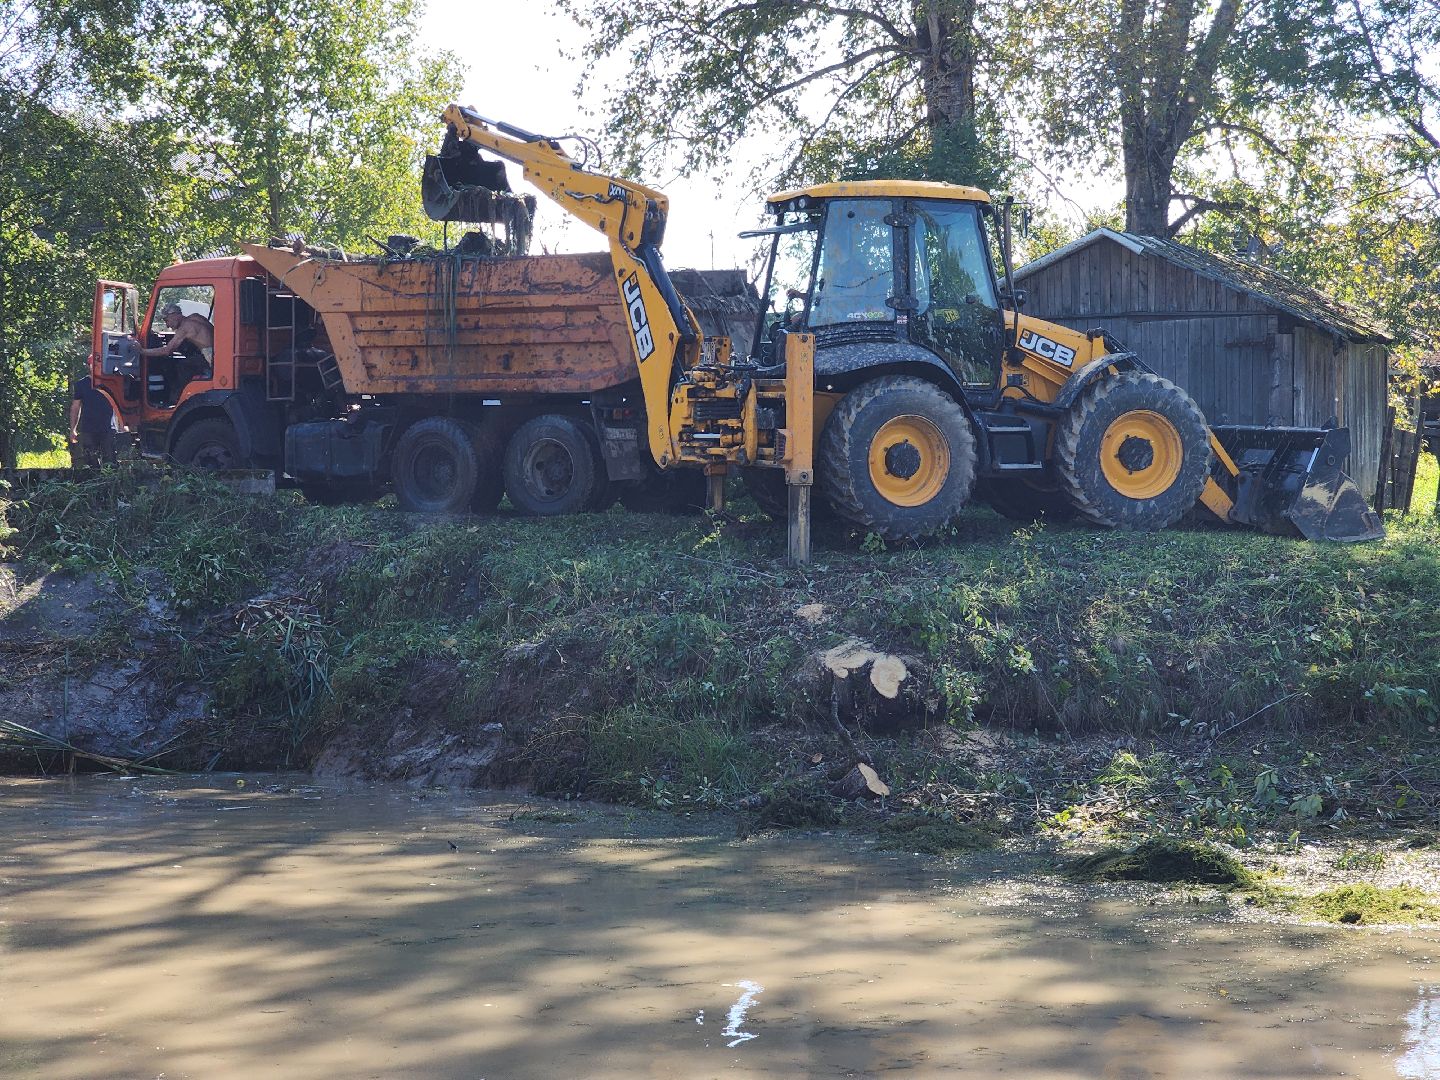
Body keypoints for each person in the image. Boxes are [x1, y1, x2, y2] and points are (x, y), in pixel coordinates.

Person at [138, 303, 214, 401]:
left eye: (166, 320)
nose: (167, 325)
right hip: (216, 353)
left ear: (174, 315)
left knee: (181, 367)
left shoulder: (184, 328)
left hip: (210, 358)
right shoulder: (196, 317)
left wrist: (142, 351)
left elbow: (167, 351)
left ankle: (176, 399)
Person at [69, 373, 118, 468]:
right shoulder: (81, 384)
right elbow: (75, 407)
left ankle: (110, 477)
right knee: (90, 462)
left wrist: (123, 425)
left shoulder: (111, 382)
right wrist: (73, 429)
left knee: (110, 463)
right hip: (88, 429)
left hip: (108, 428)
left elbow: (119, 404)